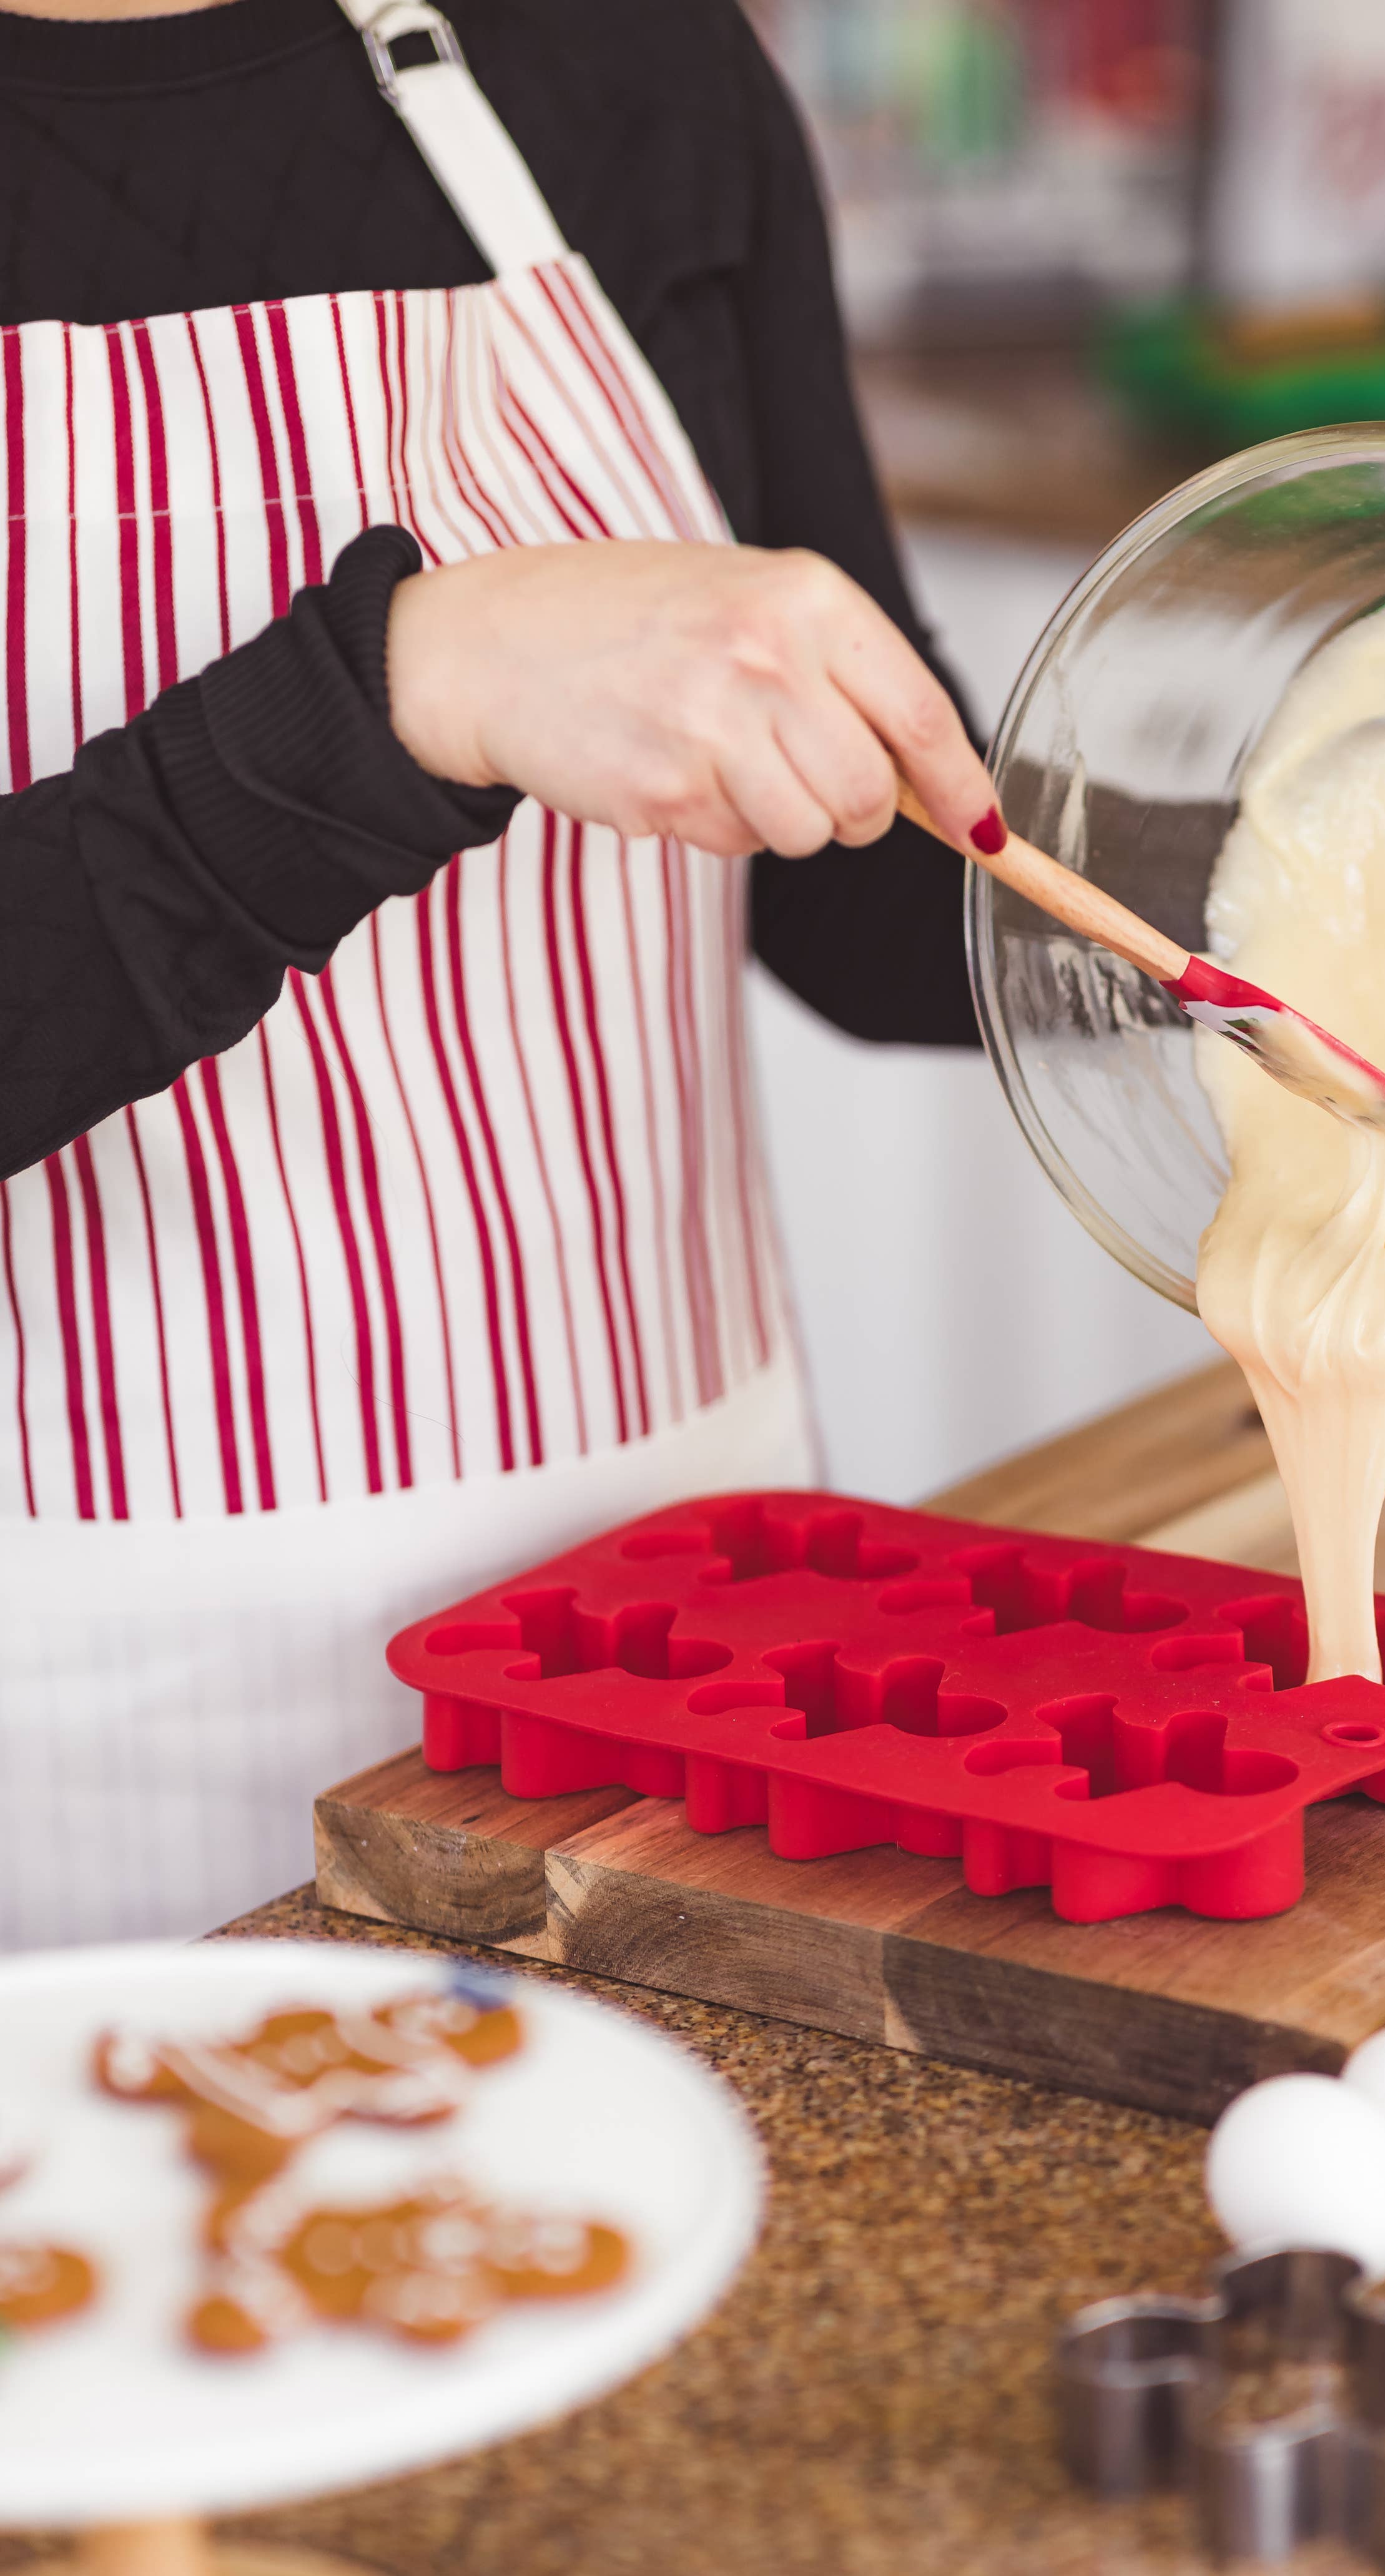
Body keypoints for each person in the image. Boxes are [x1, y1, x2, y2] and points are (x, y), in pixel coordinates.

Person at [0, 0, 1005, 1947]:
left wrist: (1324, 912)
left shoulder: (627, 61)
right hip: (76, 1769)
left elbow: (873, 880)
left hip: (685, 1694)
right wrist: (401, 694)